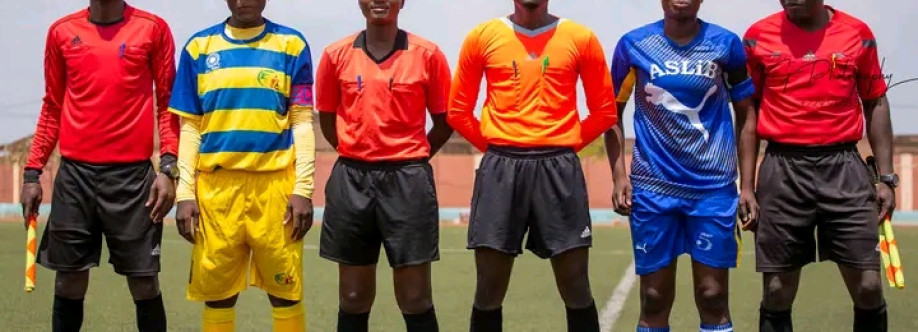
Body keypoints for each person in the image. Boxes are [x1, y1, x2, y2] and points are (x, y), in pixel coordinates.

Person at [448, 0, 618, 330]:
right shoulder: (482, 36)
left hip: (558, 170)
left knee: (575, 286)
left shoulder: (580, 37)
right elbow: (458, 111)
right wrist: (499, 147)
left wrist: (563, 145)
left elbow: (604, 112)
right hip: (501, 169)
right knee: (489, 290)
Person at [20, 0, 178, 331]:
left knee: (145, 283)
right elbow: (53, 105)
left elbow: (167, 104)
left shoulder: (153, 28)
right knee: (68, 282)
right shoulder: (62, 32)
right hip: (75, 177)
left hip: (134, 180)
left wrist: (168, 167)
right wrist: (32, 172)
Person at [604, 1, 758, 331]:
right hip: (653, 189)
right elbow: (610, 112)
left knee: (713, 294)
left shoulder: (726, 44)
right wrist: (618, 177)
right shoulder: (633, 44)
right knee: (655, 297)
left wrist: (747, 186)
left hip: (712, 190)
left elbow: (746, 114)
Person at [744, 1, 894, 331]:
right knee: (777, 290)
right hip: (782, 168)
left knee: (869, 287)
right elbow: (748, 112)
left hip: (844, 167)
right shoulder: (757, 37)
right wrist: (746, 187)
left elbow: (875, 101)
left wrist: (886, 177)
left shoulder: (858, 34)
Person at [168, 0, 316, 330]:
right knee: (218, 294)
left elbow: (302, 121)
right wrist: (184, 194)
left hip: (275, 187)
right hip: (216, 190)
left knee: (286, 292)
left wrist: (303, 189)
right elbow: (190, 128)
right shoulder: (199, 48)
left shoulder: (291, 44)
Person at [314, 1, 453, 331]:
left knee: (415, 297)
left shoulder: (427, 54)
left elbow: (445, 122)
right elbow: (328, 119)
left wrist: (413, 158)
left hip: (408, 181)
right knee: (352, 296)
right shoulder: (335, 55)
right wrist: (358, 150)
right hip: (352, 180)